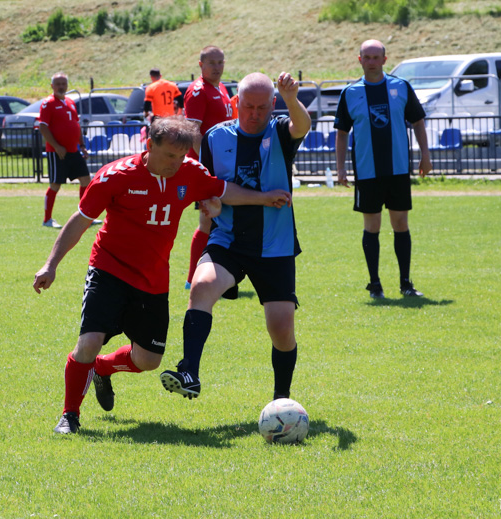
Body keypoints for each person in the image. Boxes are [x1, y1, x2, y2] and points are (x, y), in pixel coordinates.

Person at [33, 116, 292, 434]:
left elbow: (223, 191)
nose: (175, 163)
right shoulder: (116, 176)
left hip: (153, 279)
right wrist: (51, 264)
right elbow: (81, 219)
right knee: (88, 343)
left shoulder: (190, 173)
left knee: (149, 360)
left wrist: (263, 198)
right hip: (109, 270)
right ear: (149, 145)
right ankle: (69, 416)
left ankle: (103, 368)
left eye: (181, 156)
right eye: (169, 155)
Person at [160, 71, 311, 402]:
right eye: (247, 107)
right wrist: (210, 202)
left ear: (272, 105)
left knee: (282, 329)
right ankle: (189, 371)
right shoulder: (215, 138)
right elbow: (211, 188)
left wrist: (291, 98)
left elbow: (302, 126)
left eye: (261, 107)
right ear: (235, 103)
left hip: (275, 244)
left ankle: (281, 401)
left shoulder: (280, 131)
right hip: (228, 240)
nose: (254, 114)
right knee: (200, 286)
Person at [333, 39, 432, 299]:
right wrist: (340, 168)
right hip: (367, 172)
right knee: (372, 226)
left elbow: (418, 121)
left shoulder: (401, 87)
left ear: (385, 60)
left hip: (398, 169)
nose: (372, 62)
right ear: (360, 60)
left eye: (377, 57)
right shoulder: (351, 93)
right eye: (367, 57)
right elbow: (342, 133)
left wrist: (425, 155)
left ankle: (406, 284)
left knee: (400, 224)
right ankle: (375, 284)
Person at [183, 46, 234, 289]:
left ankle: (222, 275)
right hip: (208, 167)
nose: (217, 67)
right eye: (211, 62)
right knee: (208, 222)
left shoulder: (221, 88)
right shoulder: (198, 91)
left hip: (223, 164)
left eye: (220, 62)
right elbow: (193, 131)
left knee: (220, 221)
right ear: (200, 65)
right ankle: (192, 278)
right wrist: (208, 164)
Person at [38, 72, 98, 229]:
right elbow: (42, 126)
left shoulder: (70, 102)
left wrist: (82, 146)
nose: (61, 86)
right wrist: (57, 146)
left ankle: (85, 215)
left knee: (86, 180)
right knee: (55, 185)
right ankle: (47, 219)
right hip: (57, 152)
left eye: (63, 84)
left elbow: (76, 126)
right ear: (52, 86)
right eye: (57, 84)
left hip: (73, 151)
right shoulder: (48, 103)